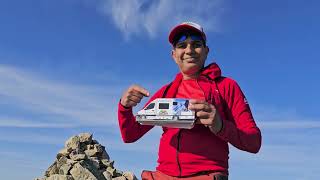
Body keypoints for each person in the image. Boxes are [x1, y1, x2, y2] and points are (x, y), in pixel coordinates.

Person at [118, 21, 262, 180]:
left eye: (196, 44)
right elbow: (130, 134)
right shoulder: (165, 92)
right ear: (173, 55)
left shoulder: (226, 86)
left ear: (206, 51)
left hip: (206, 176)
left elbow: (254, 142)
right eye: (182, 45)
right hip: (161, 175)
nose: (189, 50)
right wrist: (124, 107)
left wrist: (220, 125)